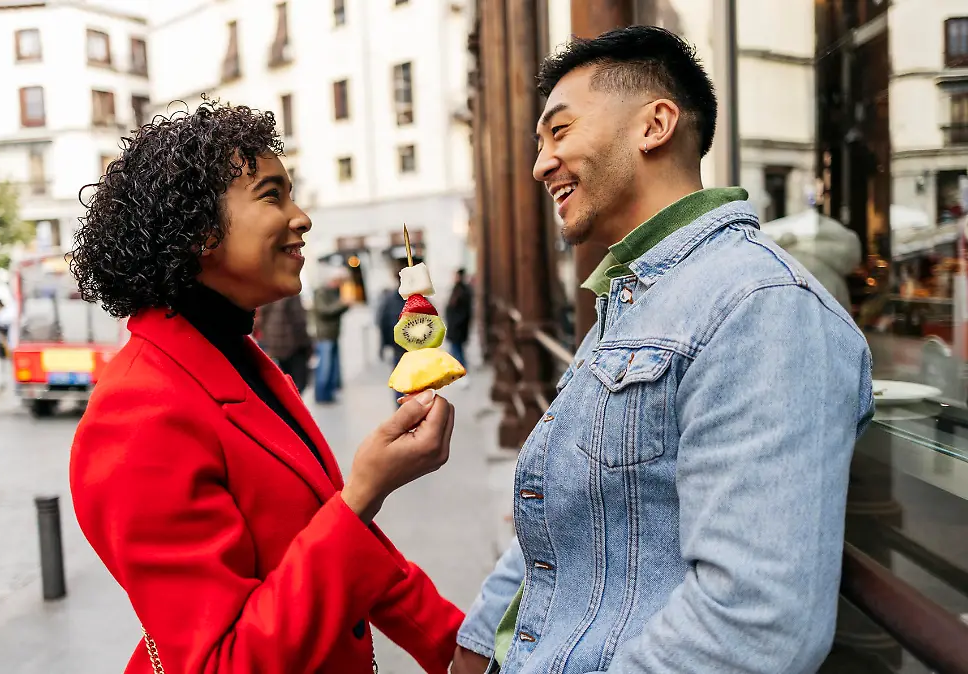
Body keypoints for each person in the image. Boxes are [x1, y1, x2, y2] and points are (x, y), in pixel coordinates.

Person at [453, 27, 874, 674]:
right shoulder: (635, 295)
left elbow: (754, 628)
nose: (540, 163)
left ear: (655, 124)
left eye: (559, 132)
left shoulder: (761, 305)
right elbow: (563, 522)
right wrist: (477, 645)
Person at [67, 100, 463, 674]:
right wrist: (364, 494)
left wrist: (460, 648)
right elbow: (222, 662)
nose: (301, 217)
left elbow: (331, 541)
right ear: (199, 230)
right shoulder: (138, 414)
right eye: (272, 195)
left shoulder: (236, 356)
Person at [255, 294, 313, 394]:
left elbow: (262, 318)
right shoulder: (291, 293)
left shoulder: (268, 292)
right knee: (298, 383)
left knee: (284, 381)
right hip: (292, 345)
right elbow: (298, 321)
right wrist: (307, 344)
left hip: (274, 344)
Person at [311, 270, 348, 404]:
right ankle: (322, 395)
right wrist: (342, 304)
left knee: (331, 366)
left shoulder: (333, 291)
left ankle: (329, 392)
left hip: (332, 333)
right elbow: (325, 311)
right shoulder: (321, 292)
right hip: (325, 335)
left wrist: (344, 305)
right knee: (325, 367)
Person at [444, 269, 473, 372]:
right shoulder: (457, 289)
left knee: (457, 350)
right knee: (456, 349)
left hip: (458, 327)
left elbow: (464, 312)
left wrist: (455, 323)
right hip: (455, 327)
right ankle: (457, 369)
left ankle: (460, 369)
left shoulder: (462, 291)